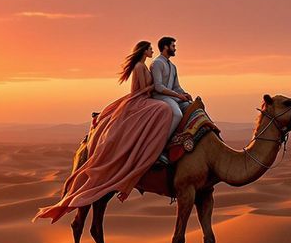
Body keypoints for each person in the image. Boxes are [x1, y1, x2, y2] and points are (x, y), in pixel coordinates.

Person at [34, 40, 176, 223]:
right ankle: (152, 148)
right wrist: (157, 89)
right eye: (149, 49)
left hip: (147, 99)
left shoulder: (145, 66)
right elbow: (141, 90)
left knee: (162, 108)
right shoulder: (140, 67)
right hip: (140, 101)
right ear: (143, 51)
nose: (151, 51)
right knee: (163, 110)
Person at [150, 36, 192, 131]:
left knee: (191, 107)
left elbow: (176, 87)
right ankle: (163, 140)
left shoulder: (173, 66)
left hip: (172, 97)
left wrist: (185, 94)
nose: (175, 48)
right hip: (160, 97)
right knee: (177, 115)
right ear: (165, 47)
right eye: (173, 46)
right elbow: (158, 87)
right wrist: (178, 95)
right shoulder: (157, 63)